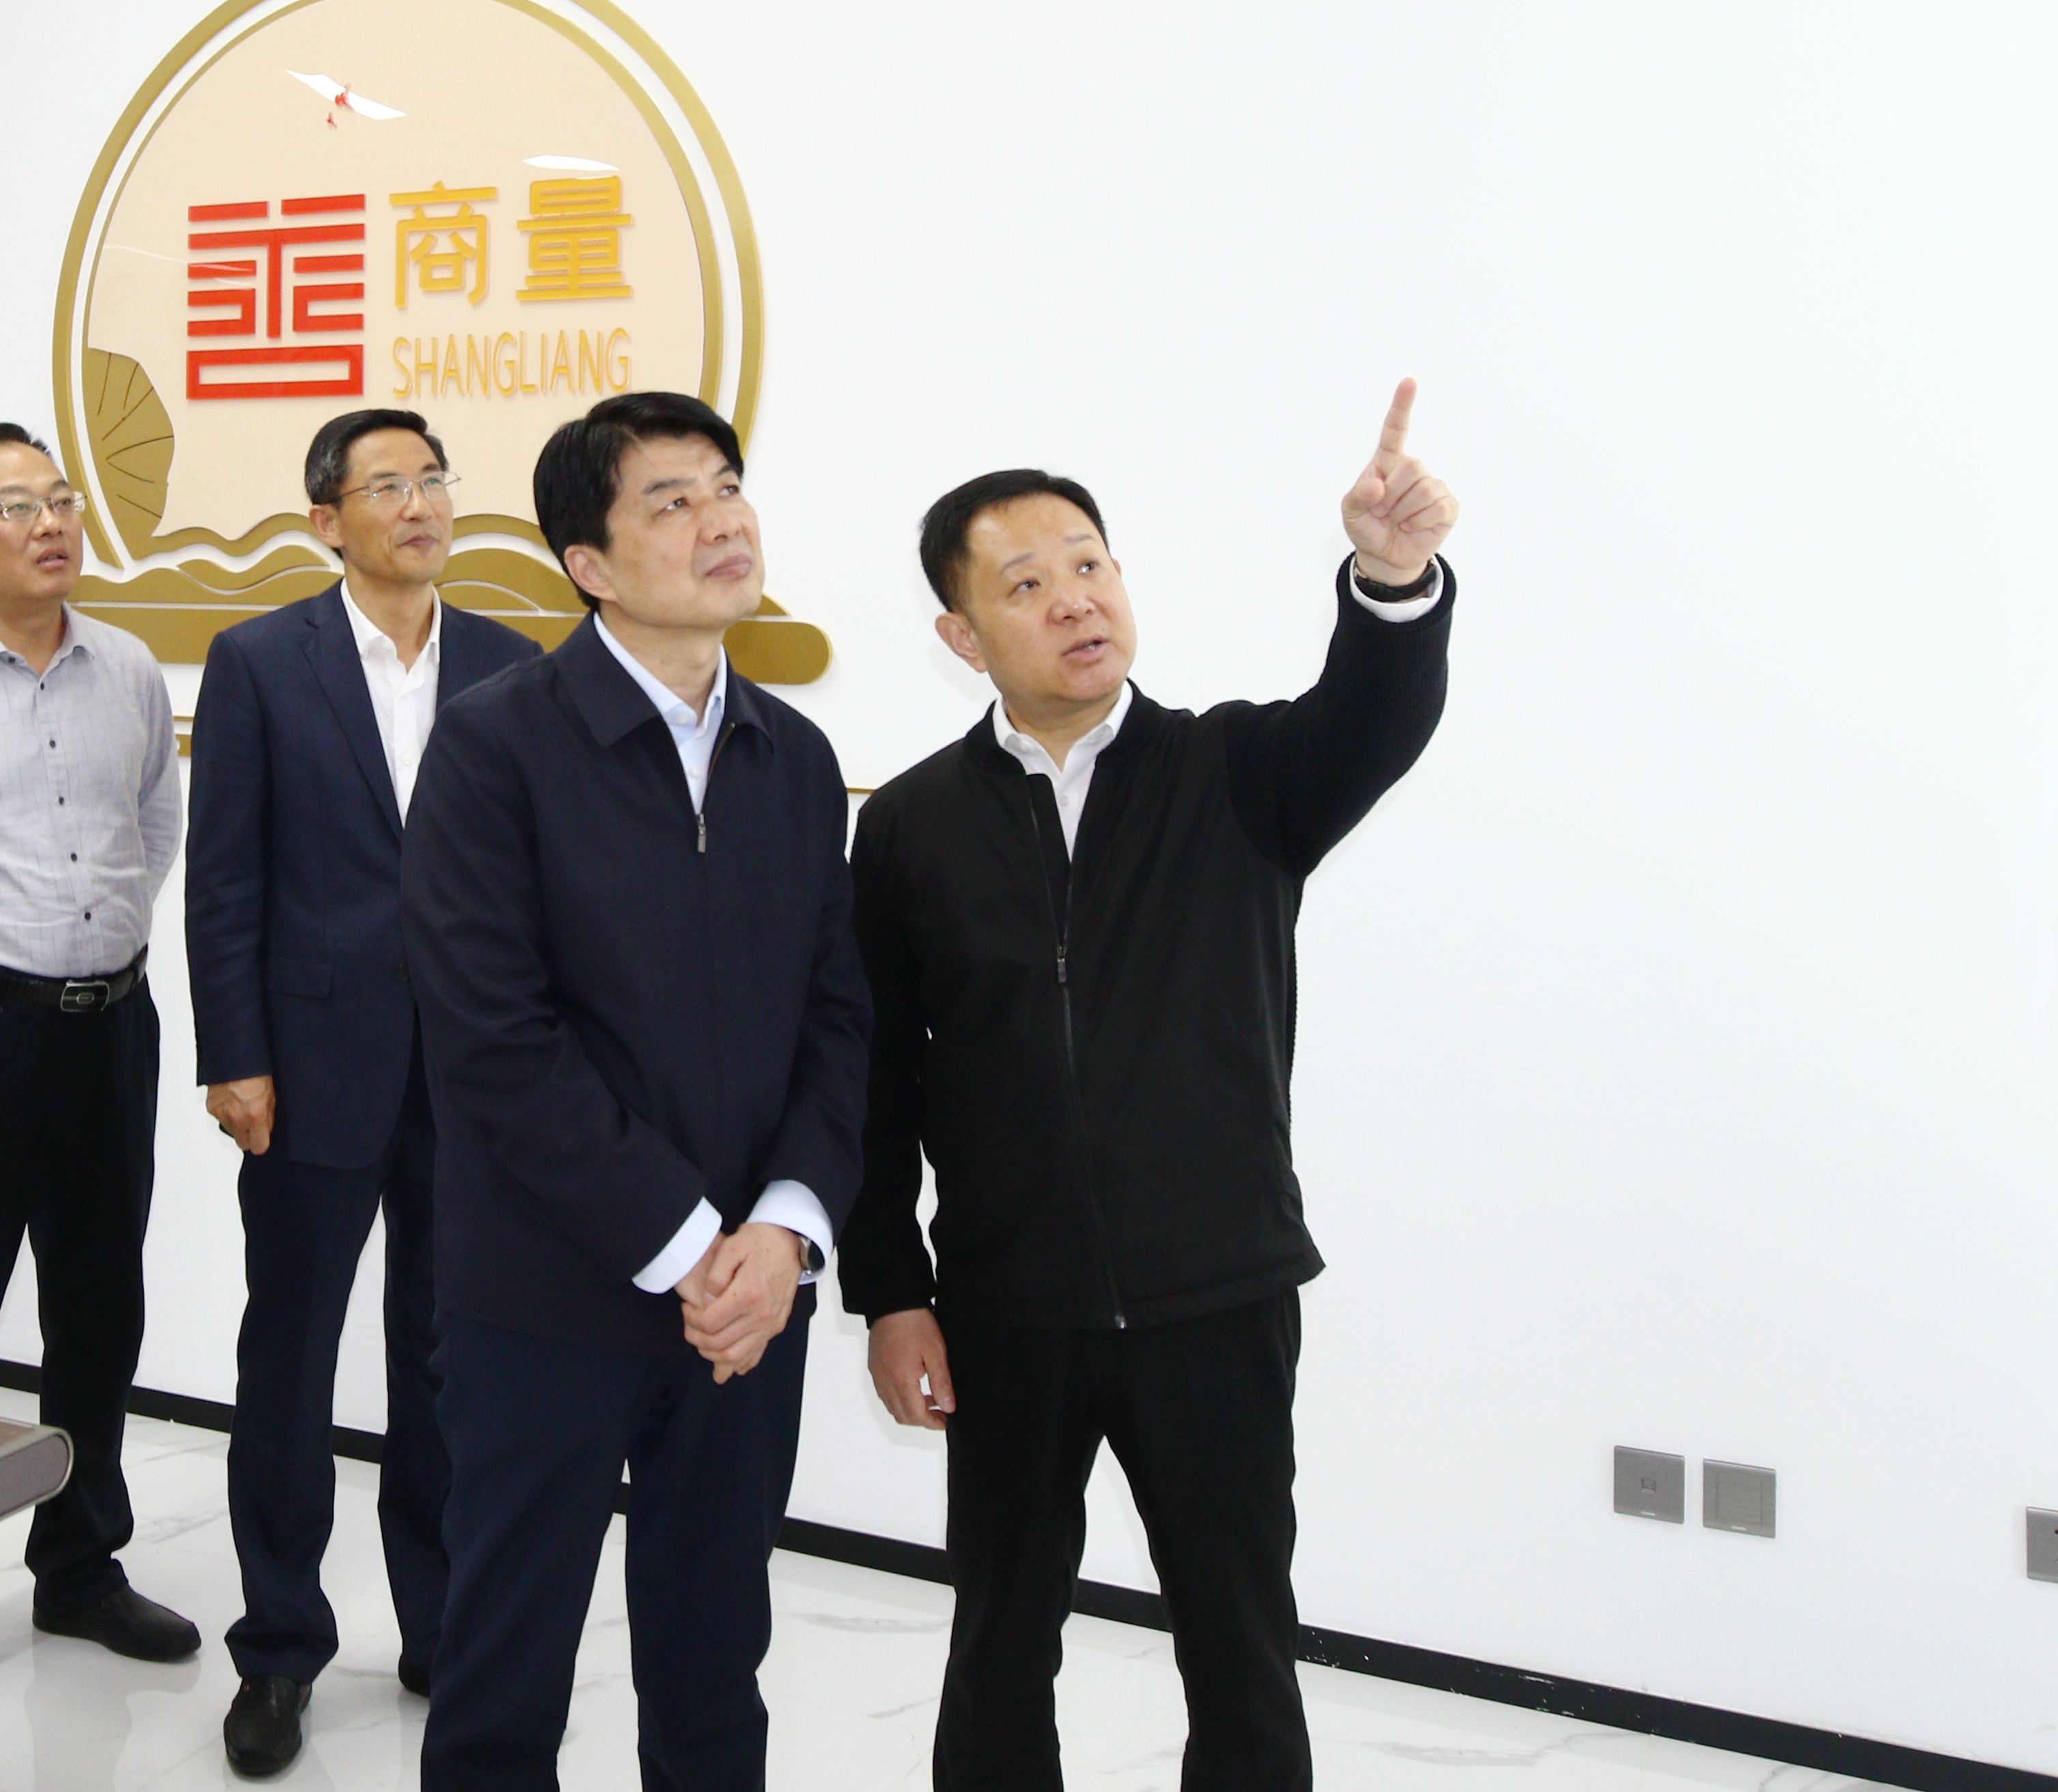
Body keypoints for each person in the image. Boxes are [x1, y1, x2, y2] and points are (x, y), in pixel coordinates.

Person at [840, 383, 1459, 1792]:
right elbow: (875, 1079)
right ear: (960, 635)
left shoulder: (1238, 771)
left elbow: (1377, 714)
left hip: (1214, 1293)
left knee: (1240, 1642)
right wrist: (891, 1291)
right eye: (1025, 582)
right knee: (999, 1638)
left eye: (1089, 564)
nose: (1073, 598)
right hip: (1007, 1306)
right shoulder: (914, 824)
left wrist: (1389, 583)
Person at [403, 391, 868, 1792]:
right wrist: (689, 1244)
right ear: (587, 563)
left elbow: (839, 1020)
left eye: (725, 486)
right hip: (546, 1293)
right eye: (671, 500)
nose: (720, 519)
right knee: (504, 1670)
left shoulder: (795, 757)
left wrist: (782, 1232)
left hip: (750, 1302)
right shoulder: (495, 745)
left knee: (715, 1659)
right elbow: (495, 1042)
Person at [186, 406, 536, 1778]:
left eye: (433, 478)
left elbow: (536, 883)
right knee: (290, 1360)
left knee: (452, 1362)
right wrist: (235, 1052)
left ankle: (443, 1629)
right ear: (326, 518)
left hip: (471, 1075)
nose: (421, 503)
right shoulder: (260, 661)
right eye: (388, 484)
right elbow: (226, 876)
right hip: (310, 1066)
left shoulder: (508, 663)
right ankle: (279, 1645)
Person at [0, 421, 197, 1714]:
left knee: (99, 1306)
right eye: (14, 506)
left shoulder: (123, 663)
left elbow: (153, 825)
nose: (51, 522)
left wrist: (95, 952)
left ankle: (79, 1564)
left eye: (60, 497)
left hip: (111, 1023)